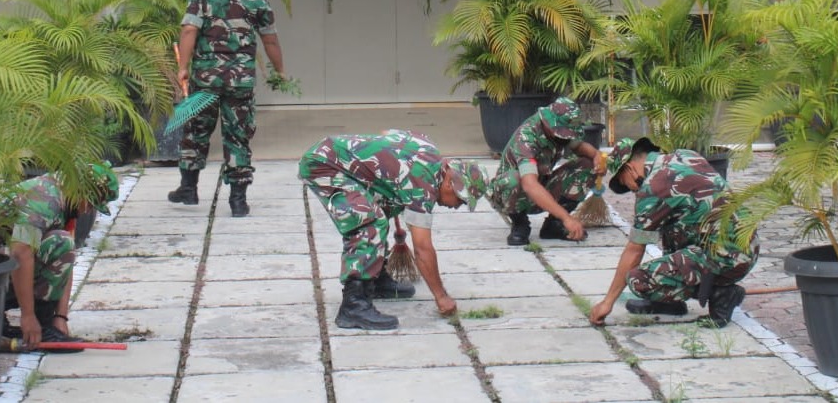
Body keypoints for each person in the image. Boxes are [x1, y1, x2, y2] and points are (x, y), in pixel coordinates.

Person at [299, 128, 488, 331]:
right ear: (450, 183)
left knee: (385, 207)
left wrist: (389, 186)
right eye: (460, 201)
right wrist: (441, 296)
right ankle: (354, 304)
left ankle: (376, 277)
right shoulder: (422, 187)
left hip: (337, 158)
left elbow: (387, 134)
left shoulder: (428, 148)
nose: (455, 206)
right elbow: (423, 249)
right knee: (370, 222)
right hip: (324, 165)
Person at [589, 137, 759, 328]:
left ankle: (721, 295)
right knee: (670, 224)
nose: (632, 190)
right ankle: (670, 302)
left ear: (629, 169)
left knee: (638, 280)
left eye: (625, 184)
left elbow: (635, 250)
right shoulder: (685, 156)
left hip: (727, 259)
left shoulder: (653, 188)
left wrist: (607, 302)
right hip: (747, 245)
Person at [169, 0, 286, 217]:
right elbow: (270, 39)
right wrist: (280, 71)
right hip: (240, 81)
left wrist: (183, 67)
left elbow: (189, 29)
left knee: (196, 129)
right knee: (238, 136)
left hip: (206, 78)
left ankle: (188, 189)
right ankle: (238, 201)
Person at [3, 162, 120, 351]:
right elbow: (21, 253)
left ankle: (44, 325)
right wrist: (28, 316)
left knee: (62, 243)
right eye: (90, 204)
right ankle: (33, 325)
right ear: (80, 192)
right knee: (60, 241)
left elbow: (65, 261)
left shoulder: (62, 203)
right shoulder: (44, 199)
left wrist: (61, 317)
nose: (89, 211)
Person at [488, 96, 606, 246]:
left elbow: (579, 147)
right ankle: (519, 223)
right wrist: (567, 218)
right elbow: (530, 185)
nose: (566, 137)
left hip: (542, 185)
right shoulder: (526, 138)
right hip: (514, 194)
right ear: (548, 123)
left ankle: (553, 225)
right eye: (564, 133)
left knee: (587, 165)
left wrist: (597, 157)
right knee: (514, 179)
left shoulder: (558, 133)